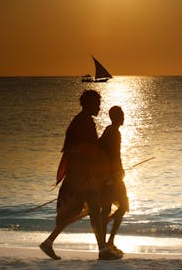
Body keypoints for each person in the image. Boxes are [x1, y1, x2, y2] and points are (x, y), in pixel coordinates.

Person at [39, 90, 122, 260]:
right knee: (90, 210)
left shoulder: (79, 121)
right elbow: (88, 149)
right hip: (83, 176)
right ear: (89, 104)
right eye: (97, 104)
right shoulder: (85, 123)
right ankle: (102, 250)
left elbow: (81, 147)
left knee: (89, 210)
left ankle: (50, 242)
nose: (99, 107)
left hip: (80, 174)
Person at [99, 106, 129, 255]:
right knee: (122, 206)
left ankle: (107, 241)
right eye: (121, 115)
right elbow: (114, 156)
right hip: (112, 177)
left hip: (111, 175)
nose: (123, 117)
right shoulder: (113, 132)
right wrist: (117, 173)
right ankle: (107, 242)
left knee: (111, 208)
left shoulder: (110, 131)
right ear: (115, 117)